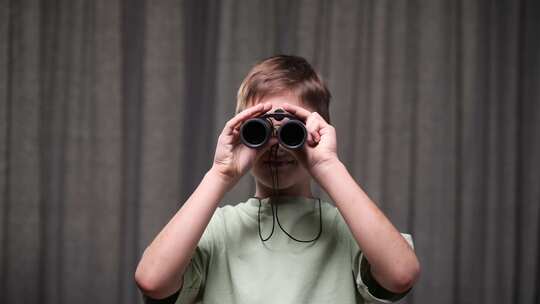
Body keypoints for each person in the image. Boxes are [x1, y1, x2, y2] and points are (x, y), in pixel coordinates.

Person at [134, 55, 420, 304]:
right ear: (241, 133)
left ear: (319, 131)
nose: (276, 144)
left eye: (292, 132)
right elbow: (152, 281)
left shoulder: (350, 230)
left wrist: (327, 164)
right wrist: (221, 172)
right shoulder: (218, 229)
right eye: (259, 130)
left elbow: (401, 274)